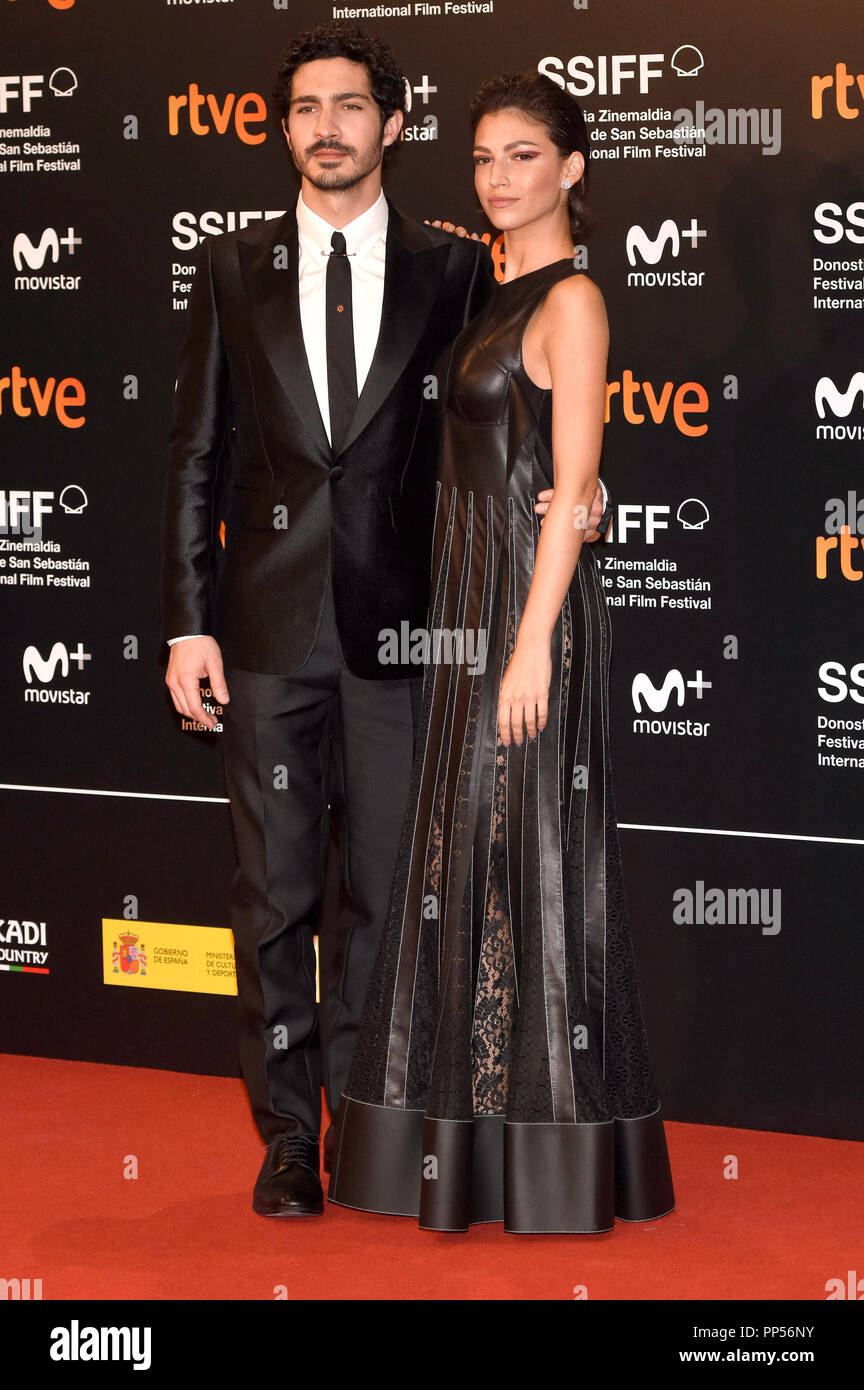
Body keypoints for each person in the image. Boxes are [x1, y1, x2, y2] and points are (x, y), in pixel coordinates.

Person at [160, 24, 611, 1219]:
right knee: (274, 896)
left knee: (387, 893)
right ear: (284, 128)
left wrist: (576, 487)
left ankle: (366, 1120)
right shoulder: (228, 268)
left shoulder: (457, 271)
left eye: (348, 106)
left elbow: (508, 409)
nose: (325, 128)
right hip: (260, 634)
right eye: (304, 108)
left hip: (410, 634)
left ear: (390, 126)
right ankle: (286, 1138)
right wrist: (185, 623)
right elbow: (195, 454)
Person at [329, 71, 676, 1233]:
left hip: (529, 620)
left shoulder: (571, 302)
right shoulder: (491, 285)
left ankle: (550, 1156)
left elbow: (574, 486)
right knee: (458, 863)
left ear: (572, 169)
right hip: (469, 612)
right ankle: (465, 1149)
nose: (498, 177)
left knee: (526, 856)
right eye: (483, 157)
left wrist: (532, 649)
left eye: (523, 155)